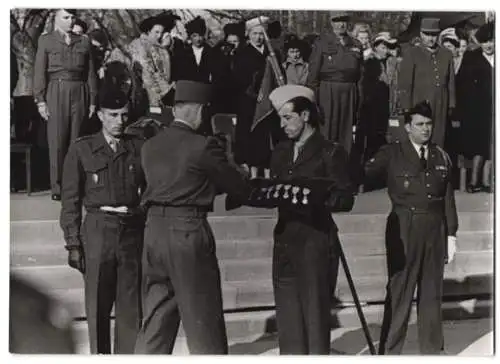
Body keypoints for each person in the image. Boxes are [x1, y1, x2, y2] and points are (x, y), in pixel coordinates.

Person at [134, 80, 253, 354]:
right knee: (204, 322)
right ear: (199, 110)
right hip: (187, 231)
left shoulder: (150, 146)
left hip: (153, 232)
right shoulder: (203, 146)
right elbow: (239, 187)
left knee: (155, 320)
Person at [266, 85, 355, 354]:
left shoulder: (330, 151)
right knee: (288, 319)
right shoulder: (281, 152)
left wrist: (316, 197)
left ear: (305, 115)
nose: (283, 125)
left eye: (288, 117)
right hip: (284, 240)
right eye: (280, 119)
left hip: (315, 241)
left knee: (315, 319)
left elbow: (345, 198)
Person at [364, 100, 458, 354]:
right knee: (400, 291)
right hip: (405, 227)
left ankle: (432, 352)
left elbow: (447, 197)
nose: (425, 129)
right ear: (407, 127)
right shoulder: (392, 153)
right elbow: (365, 174)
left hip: (434, 228)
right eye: (419, 124)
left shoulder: (441, 155)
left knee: (431, 293)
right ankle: (390, 352)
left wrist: (451, 233)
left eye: (428, 124)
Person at [60, 88, 145, 354]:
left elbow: (150, 186)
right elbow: (71, 200)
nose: (120, 121)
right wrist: (73, 243)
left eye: (124, 115)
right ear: (99, 115)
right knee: (97, 304)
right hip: (98, 230)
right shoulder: (82, 148)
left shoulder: (137, 146)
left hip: (131, 230)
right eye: (113, 115)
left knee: (130, 306)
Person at [33, 9, 98, 201]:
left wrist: (93, 100)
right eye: (66, 18)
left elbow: (90, 73)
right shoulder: (46, 40)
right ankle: (58, 186)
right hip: (56, 90)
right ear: (56, 19)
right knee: (57, 140)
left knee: (77, 140)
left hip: (79, 90)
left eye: (72, 18)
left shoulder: (84, 41)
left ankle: (75, 185)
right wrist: (40, 100)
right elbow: (39, 72)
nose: (70, 21)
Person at [306, 12, 363, 155]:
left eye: (344, 20)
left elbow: (360, 75)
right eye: (337, 21)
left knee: (346, 132)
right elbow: (313, 75)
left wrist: (359, 99)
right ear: (331, 23)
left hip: (349, 91)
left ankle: (343, 168)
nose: (341, 24)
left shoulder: (356, 44)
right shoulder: (322, 43)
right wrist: (313, 101)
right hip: (327, 91)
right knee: (327, 131)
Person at [398, 18, 456, 147]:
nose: (431, 38)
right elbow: (405, 83)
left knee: (438, 137)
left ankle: (435, 165)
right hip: (419, 103)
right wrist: (407, 107)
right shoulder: (412, 53)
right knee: (420, 138)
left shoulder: (446, 54)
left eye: (434, 35)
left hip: (441, 104)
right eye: (427, 34)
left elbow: (450, 82)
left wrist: (451, 104)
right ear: (421, 34)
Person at [109, 12, 179, 117]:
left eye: (161, 32)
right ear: (148, 31)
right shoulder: (140, 46)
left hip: (161, 95)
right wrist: (166, 90)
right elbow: (147, 73)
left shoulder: (158, 47)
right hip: (147, 95)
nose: (159, 35)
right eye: (156, 32)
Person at [232, 16, 275, 177]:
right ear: (249, 34)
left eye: (262, 34)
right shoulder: (242, 54)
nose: (258, 37)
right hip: (248, 102)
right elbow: (238, 79)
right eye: (255, 33)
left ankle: (267, 169)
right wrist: (254, 92)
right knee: (250, 136)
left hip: (268, 102)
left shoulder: (272, 53)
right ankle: (252, 172)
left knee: (266, 136)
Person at [458, 21, 494, 193]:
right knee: (479, 145)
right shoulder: (471, 58)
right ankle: (474, 181)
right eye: (485, 41)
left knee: (493, 145)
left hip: (495, 109)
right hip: (477, 110)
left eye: (492, 40)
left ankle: (488, 181)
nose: (489, 45)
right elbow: (461, 85)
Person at [357, 32, 395, 162]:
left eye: (388, 47)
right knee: (371, 139)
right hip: (371, 106)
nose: (386, 50)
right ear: (376, 47)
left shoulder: (392, 62)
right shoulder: (369, 62)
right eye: (383, 47)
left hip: (387, 105)